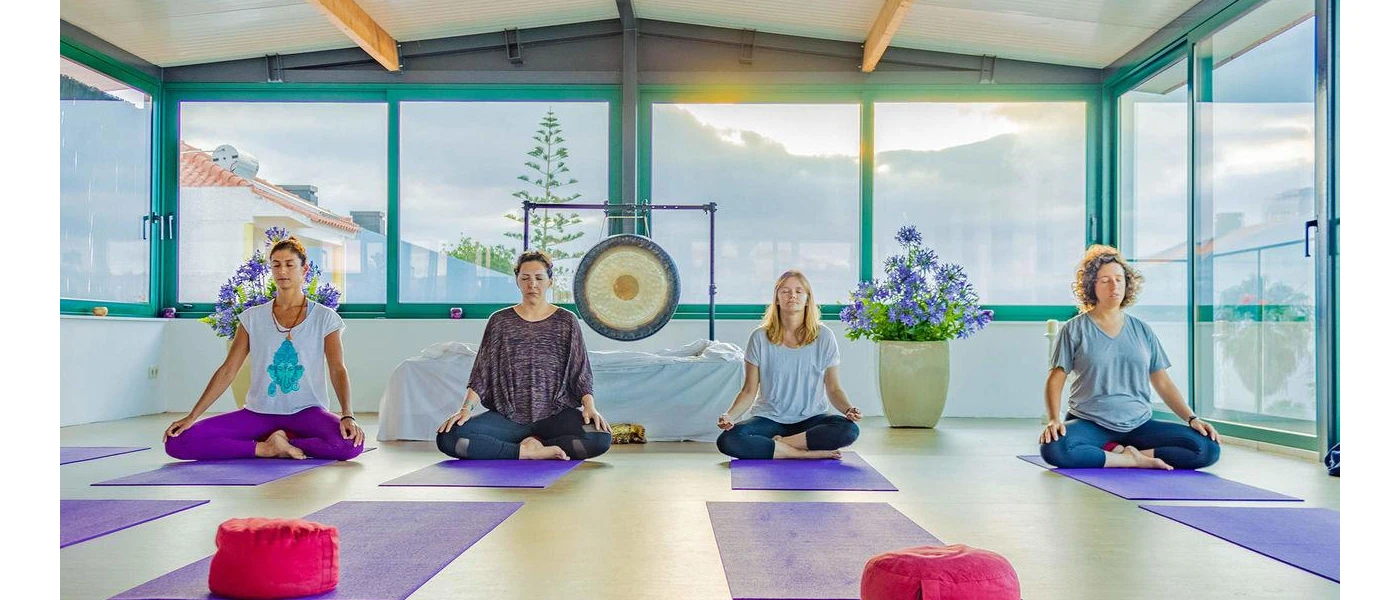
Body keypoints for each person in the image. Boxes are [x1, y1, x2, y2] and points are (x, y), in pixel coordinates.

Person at [164, 237, 365, 460]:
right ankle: (267, 448)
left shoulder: (325, 318)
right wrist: (192, 416)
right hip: (259, 412)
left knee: (350, 446)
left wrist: (348, 415)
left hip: (307, 411)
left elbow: (338, 369)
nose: (282, 271)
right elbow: (228, 370)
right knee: (177, 442)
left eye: (290, 264)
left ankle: (287, 442)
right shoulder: (252, 318)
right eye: (276, 264)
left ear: (304, 269)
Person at [1039, 245, 1220, 470]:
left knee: (1206, 448)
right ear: (1091, 286)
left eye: (1119, 279)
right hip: (1090, 423)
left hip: (1139, 424)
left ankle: (1125, 453)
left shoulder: (1142, 330)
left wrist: (1192, 419)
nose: (1114, 286)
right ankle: (1127, 459)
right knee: (1054, 448)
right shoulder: (1074, 329)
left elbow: (1162, 382)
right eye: (1105, 280)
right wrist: (1054, 419)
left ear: (1127, 284)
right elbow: (1056, 378)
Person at [435, 250, 612, 460]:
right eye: (525, 278)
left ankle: (537, 443)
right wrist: (464, 409)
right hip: (509, 418)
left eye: (539, 278)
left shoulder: (566, 321)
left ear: (550, 282)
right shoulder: (500, 321)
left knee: (600, 438)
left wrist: (590, 407)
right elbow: (482, 372)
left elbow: (580, 371)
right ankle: (524, 451)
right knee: (448, 437)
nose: (532, 284)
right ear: (517, 281)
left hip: (555, 416)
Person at [716, 270, 861, 459]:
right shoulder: (759, 337)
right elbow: (749, 390)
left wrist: (848, 410)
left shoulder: (824, 336)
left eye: (799, 291)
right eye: (785, 291)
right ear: (776, 299)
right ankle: (802, 454)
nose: (792, 295)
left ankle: (781, 445)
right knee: (728, 440)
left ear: (808, 299)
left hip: (811, 419)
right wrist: (730, 416)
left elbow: (833, 388)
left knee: (848, 430)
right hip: (769, 419)